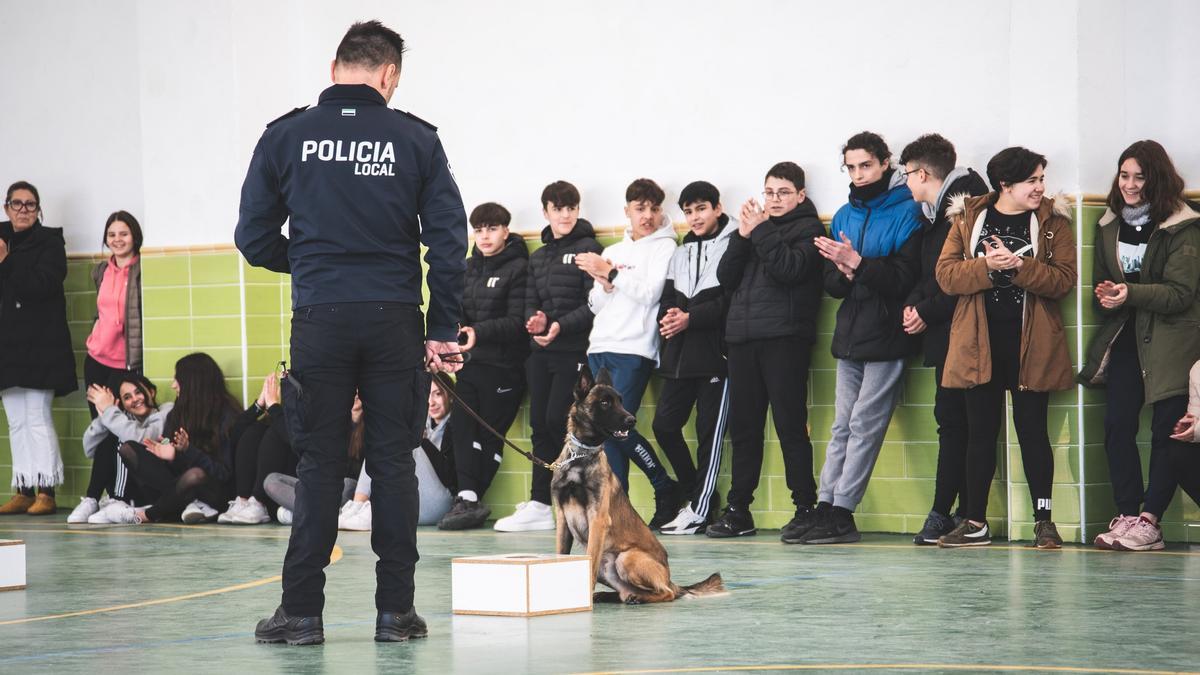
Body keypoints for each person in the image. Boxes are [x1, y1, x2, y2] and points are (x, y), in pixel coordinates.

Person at [235, 20, 465, 645]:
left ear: (334, 68)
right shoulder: (415, 140)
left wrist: (310, 263)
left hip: (321, 321)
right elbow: (448, 242)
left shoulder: (286, 136)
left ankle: (302, 614)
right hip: (395, 320)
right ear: (389, 75)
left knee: (317, 465)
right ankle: (396, 614)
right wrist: (442, 325)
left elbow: (252, 239)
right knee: (392, 464)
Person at [935, 147, 1076, 549]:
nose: (1040, 187)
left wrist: (1017, 266)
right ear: (1005, 185)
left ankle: (1044, 521)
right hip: (978, 343)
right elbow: (945, 276)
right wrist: (986, 267)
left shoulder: (1051, 220)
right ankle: (975, 521)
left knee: (1032, 432)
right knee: (980, 432)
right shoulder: (967, 218)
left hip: (1032, 342)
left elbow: (1063, 280)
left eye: (1042, 179)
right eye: (1032, 180)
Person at [801, 132, 923, 545]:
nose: (858, 174)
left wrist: (858, 262)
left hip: (888, 334)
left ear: (885, 162)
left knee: (864, 424)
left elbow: (905, 279)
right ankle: (825, 505)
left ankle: (843, 512)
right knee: (840, 426)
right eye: (851, 167)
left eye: (866, 165)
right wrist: (845, 272)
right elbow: (832, 285)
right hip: (850, 334)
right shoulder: (842, 215)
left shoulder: (909, 212)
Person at [1080, 140, 1200, 551]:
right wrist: (1108, 292)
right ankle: (1127, 513)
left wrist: (1128, 293)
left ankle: (1150, 521)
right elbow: (1105, 276)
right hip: (1126, 336)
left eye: (1139, 177)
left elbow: (1181, 293)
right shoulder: (1108, 224)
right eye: (1124, 175)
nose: (1129, 185)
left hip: (1173, 339)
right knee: (1117, 424)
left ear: (1158, 178)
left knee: (1167, 431)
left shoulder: (1183, 225)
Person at [709, 162, 826, 539]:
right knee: (744, 429)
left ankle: (805, 508)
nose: (774, 200)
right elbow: (725, 278)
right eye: (769, 192)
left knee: (790, 426)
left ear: (800, 196)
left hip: (784, 338)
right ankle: (739, 510)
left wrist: (758, 232)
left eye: (783, 193)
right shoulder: (751, 230)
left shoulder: (809, 229)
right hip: (742, 339)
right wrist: (742, 237)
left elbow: (789, 270)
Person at [897, 134, 989, 545]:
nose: (906, 185)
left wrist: (926, 311)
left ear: (921, 173)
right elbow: (929, 273)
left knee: (961, 425)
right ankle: (955, 512)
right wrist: (916, 305)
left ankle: (954, 514)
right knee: (953, 424)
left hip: (964, 332)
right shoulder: (934, 213)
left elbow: (962, 277)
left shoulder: (966, 206)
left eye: (906, 176)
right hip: (942, 330)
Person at [493, 181, 600, 533]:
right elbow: (529, 301)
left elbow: (592, 304)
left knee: (559, 421)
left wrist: (558, 325)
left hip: (573, 350)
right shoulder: (538, 257)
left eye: (571, 207)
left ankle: (566, 498)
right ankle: (541, 500)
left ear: (578, 210)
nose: (565, 214)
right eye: (558, 208)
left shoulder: (588, 248)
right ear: (546, 213)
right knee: (539, 423)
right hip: (541, 352)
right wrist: (536, 321)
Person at [575, 178, 681, 528]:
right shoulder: (614, 251)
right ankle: (614, 511)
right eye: (640, 209)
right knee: (607, 435)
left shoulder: (665, 246)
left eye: (653, 208)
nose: (647, 215)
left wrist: (610, 274)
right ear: (627, 212)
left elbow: (650, 293)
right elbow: (595, 303)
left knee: (617, 428)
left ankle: (664, 487)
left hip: (634, 349)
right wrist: (606, 282)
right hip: (600, 345)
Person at [438, 203, 528, 530]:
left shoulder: (519, 267)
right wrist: (458, 333)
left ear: (506, 230)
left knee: (489, 435)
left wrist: (481, 331)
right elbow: (456, 311)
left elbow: (518, 321)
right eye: (479, 230)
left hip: (505, 367)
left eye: (492, 229)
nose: (485, 236)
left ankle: (473, 498)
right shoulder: (467, 268)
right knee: (462, 427)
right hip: (471, 365)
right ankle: (467, 497)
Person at [652, 181, 735, 535]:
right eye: (688, 211)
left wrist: (692, 319)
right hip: (680, 358)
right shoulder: (680, 252)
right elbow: (670, 297)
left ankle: (701, 510)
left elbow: (731, 300)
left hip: (716, 358)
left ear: (717, 208)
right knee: (664, 426)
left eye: (701, 209)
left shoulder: (733, 245)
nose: (695, 217)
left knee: (708, 436)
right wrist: (671, 316)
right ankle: (696, 494)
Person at [96, 353, 247, 525]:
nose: (173, 385)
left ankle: (147, 515)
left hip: (214, 490)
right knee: (129, 449)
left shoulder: (227, 416)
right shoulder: (179, 412)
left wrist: (189, 451)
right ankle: (182, 504)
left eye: (178, 379)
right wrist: (172, 456)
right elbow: (174, 468)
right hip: (180, 486)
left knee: (194, 475)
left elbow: (223, 474)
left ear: (193, 383)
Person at [0, 181, 77, 516]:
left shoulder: (50, 243)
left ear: (38, 210)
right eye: (17, 204)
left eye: (30, 205)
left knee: (37, 417)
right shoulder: (2, 239)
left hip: (41, 345)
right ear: (6, 208)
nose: (23, 211)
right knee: (16, 421)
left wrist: (6, 262)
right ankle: (23, 488)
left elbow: (41, 286)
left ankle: (46, 490)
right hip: (7, 344)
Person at [341, 378, 456, 530]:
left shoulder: (455, 425)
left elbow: (452, 475)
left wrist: (423, 442)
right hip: (416, 501)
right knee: (382, 442)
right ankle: (358, 507)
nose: (432, 402)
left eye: (438, 394)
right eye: (428, 395)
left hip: (442, 504)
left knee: (408, 442)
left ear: (451, 396)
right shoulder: (425, 423)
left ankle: (362, 507)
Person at [69, 373, 171, 523]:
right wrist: (104, 417)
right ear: (122, 403)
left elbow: (142, 438)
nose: (135, 399)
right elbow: (89, 449)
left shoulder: (166, 411)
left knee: (125, 441)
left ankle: (118, 500)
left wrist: (110, 412)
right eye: (127, 397)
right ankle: (92, 499)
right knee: (109, 438)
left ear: (151, 392)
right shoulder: (125, 418)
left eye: (138, 392)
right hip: (132, 490)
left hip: (154, 490)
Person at [84, 211, 144, 417]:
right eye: (111, 235)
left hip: (125, 363)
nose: (117, 239)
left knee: (119, 422)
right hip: (95, 359)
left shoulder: (141, 271)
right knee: (97, 423)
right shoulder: (101, 271)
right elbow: (101, 312)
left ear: (134, 236)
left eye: (123, 234)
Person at [219, 373, 292, 525]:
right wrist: (260, 404)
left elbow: (292, 437)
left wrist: (274, 407)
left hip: (287, 486)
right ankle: (244, 500)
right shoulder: (271, 419)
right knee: (254, 430)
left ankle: (259, 502)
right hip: (265, 491)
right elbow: (235, 435)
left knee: (275, 434)